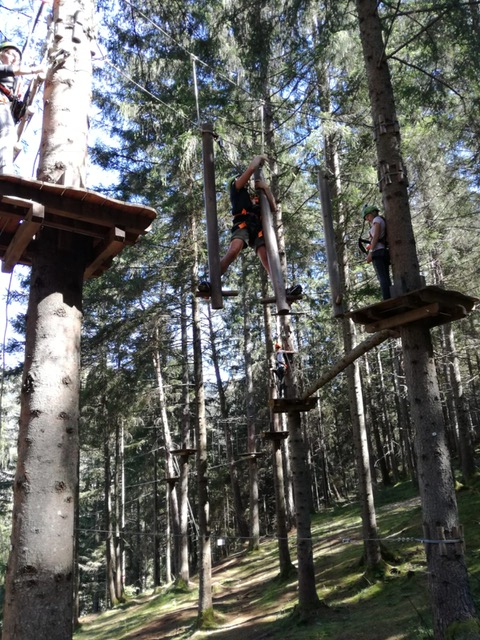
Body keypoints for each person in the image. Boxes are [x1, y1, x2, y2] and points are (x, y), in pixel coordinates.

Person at [199, 154, 301, 297]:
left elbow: (273, 207)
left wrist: (265, 188)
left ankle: (282, 290)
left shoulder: (254, 198)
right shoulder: (236, 189)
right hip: (242, 224)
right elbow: (251, 168)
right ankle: (212, 282)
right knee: (234, 251)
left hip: (257, 228)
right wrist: (258, 159)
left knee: (267, 258)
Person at [0, 41, 45, 175]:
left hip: (5, 103)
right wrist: (36, 69)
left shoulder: (13, 84)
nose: (14, 59)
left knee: (9, 133)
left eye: (17, 58)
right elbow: (14, 71)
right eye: (10, 54)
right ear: (1, 54)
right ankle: (4, 172)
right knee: (8, 132)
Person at [362, 204, 392, 300]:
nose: (367, 219)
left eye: (368, 216)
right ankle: (390, 296)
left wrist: (371, 252)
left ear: (373, 213)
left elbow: (376, 236)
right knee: (385, 277)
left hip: (378, 252)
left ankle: (387, 299)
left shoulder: (376, 220)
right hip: (383, 251)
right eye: (366, 217)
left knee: (382, 277)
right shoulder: (380, 220)